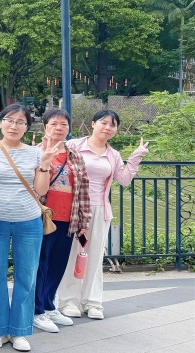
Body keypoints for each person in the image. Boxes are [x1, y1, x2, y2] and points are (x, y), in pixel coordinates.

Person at [0, 104, 57, 352]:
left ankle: (19, 330)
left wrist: (45, 164)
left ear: (27, 127)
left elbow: (41, 190)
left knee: (27, 275)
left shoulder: (35, 153)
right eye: (9, 120)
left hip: (28, 221)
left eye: (20, 122)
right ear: (0, 122)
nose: (14, 126)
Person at [58, 110, 149, 320]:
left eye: (113, 125)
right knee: (71, 254)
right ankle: (68, 301)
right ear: (93, 124)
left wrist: (135, 158)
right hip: (74, 208)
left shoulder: (113, 155)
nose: (108, 127)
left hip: (100, 210)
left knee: (95, 256)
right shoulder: (74, 146)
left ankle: (92, 302)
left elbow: (123, 180)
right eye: (103, 122)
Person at [32, 108, 91, 333]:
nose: (59, 128)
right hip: (43, 217)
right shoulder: (35, 152)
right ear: (45, 127)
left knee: (58, 264)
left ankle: (49, 305)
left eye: (63, 124)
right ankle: (37, 310)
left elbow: (83, 189)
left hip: (68, 217)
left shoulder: (75, 155)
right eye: (54, 124)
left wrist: (84, 221)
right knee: (41, 264)